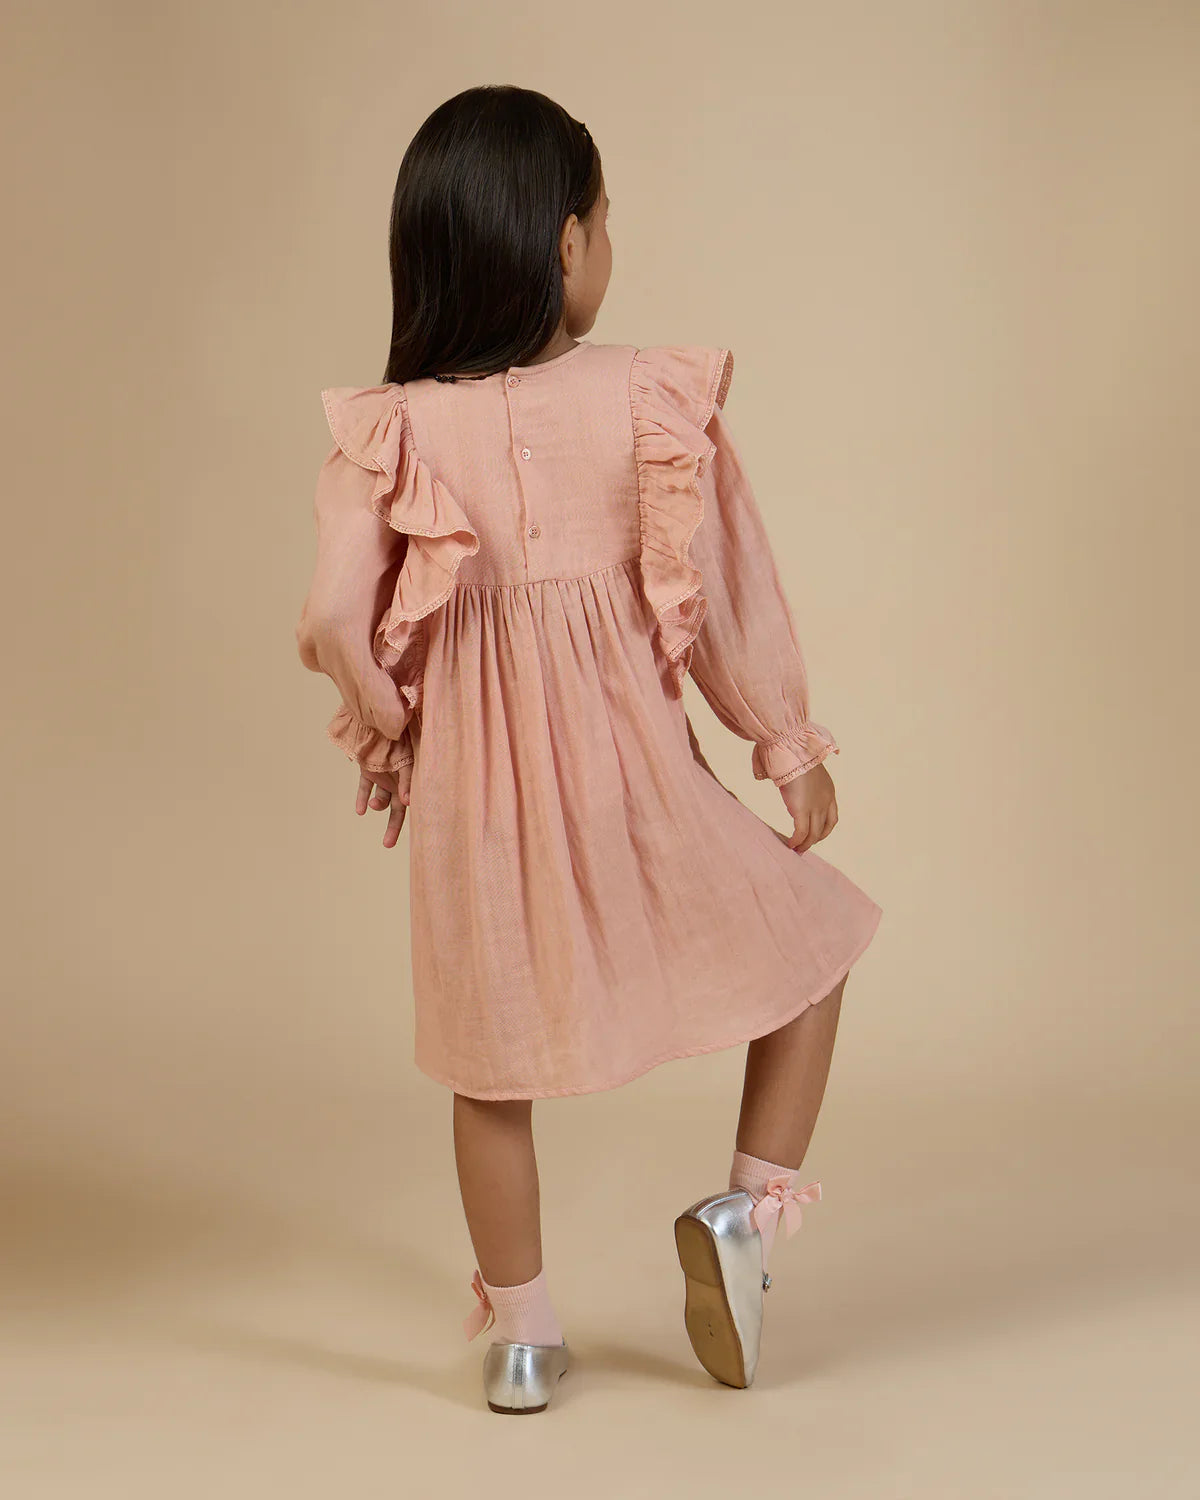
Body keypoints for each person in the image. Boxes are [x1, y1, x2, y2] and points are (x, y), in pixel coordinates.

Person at [295, 84, 883, 1413]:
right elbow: (723, 583)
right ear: (567, 243)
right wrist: (785, 743)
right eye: (605, 224)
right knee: (815, 950)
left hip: (473, 805)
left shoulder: (392, 428)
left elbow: (336, 617)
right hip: (635, 778)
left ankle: (519, 1340)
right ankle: (743, 1217)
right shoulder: (643, 399)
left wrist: (395, 732)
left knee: (487, 1060)